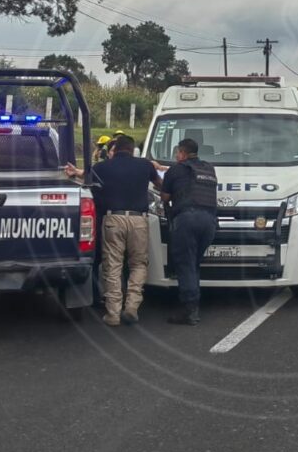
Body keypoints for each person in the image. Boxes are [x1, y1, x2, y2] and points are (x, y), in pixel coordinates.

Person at [65, 135, 160, 326]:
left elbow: (87, 176)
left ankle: (113, 314)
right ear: (132, 149)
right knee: (138, 264)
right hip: (139, 219)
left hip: (113, 219)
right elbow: (160, 185)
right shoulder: (145, 165)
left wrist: (76, 172)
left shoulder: (103, 167)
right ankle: (132, 306)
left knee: (113, 266)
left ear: (114, 150)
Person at [161, 138, 218, 326]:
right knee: (193, 263)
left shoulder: (175, 170)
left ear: (183, 153)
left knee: (185, 264)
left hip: (187, 220)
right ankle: (194, 302)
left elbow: (165, 197)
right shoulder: (209, 169)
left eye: (177, 153)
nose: (176, 156)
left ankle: (189, 310)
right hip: (209, 222)